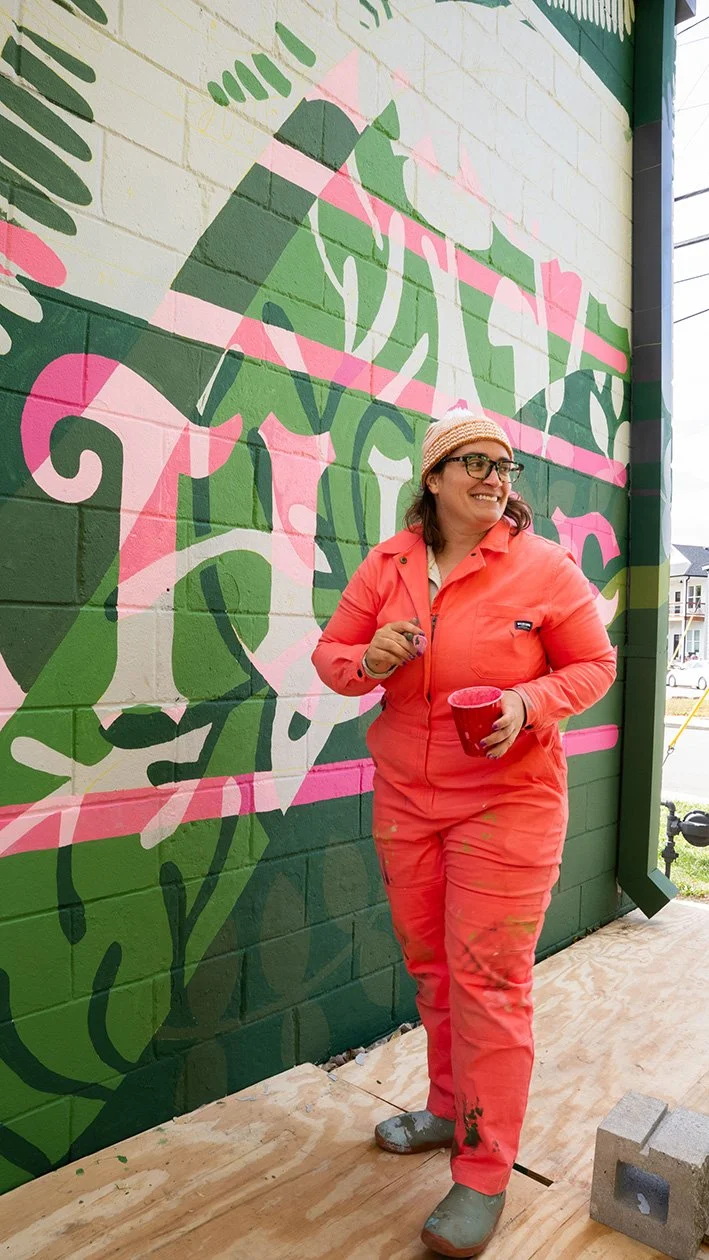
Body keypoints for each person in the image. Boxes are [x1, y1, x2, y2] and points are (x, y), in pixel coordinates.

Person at [312, 403, 616, 1258]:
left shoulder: (542, 568)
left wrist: (526, 702)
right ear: (435, 478)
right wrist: (365, 660)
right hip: (407, 798)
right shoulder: (390, 564)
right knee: (431, 966)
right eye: (474, 462)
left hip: (508, 801)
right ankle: (450, 1109)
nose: (493, 477)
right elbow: (333, 654)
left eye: (504, 466)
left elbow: (593, 665)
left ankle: (484, 1170)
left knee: (488, 980)